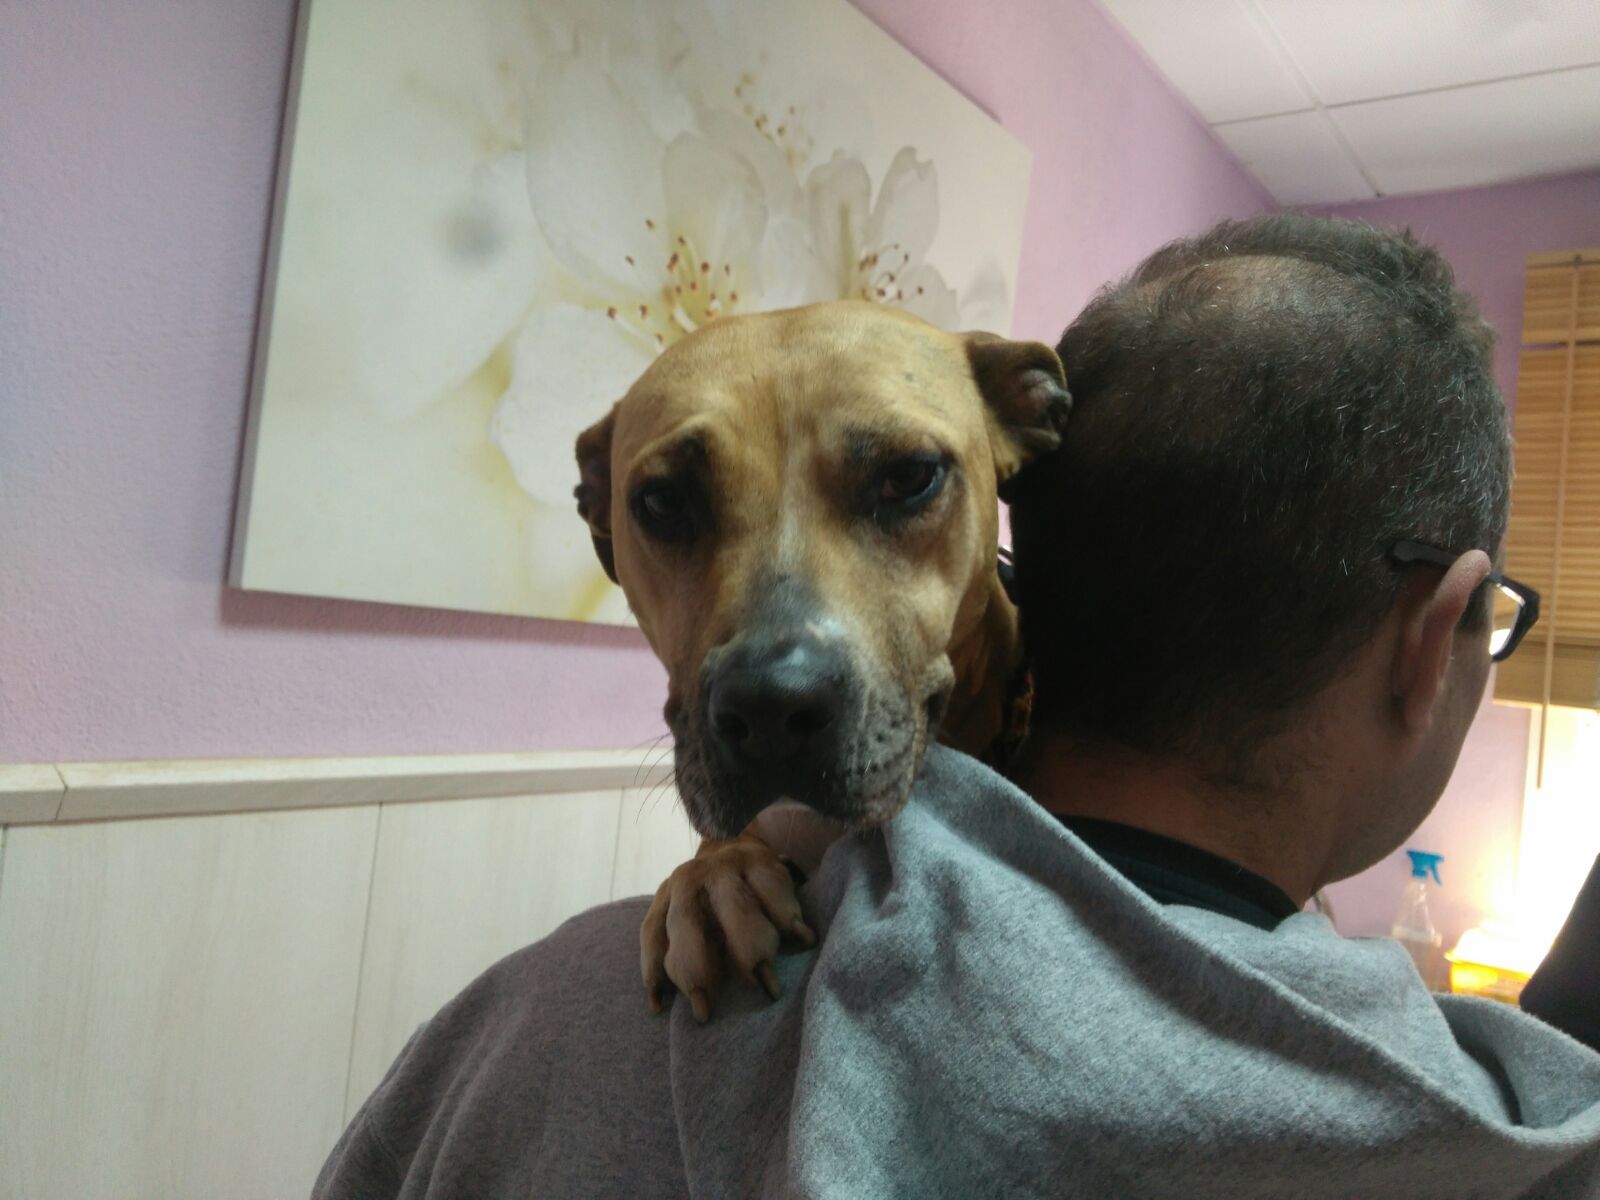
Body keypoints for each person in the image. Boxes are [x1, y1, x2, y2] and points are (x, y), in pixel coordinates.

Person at [313, 215, 1600, 1199]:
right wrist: (729, 852)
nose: (778, 660)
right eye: (671, 509)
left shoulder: (510, 1027)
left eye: (898, 487)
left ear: (1022, 461)